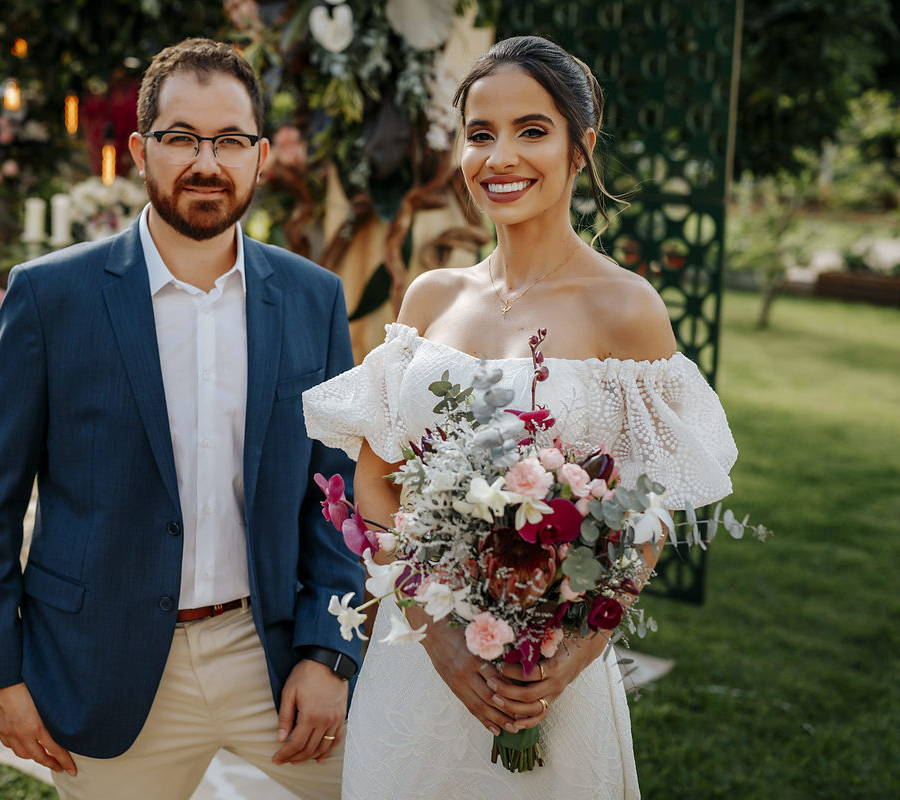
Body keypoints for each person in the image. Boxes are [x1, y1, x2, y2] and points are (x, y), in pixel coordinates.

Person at [302, 35, 737, 798]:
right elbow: (376, 487)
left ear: (581, 148)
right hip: (416, 670)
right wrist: (436, 635)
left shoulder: (628, 309)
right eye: (479, 135)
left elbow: (648, 517)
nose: (500, 157)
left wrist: (567, 660)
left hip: (548, 676)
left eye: (532, 130)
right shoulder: (430, 298)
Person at [0, 37, 363, 800]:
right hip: (102, 661)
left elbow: (336, 502)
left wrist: (329, 649)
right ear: (140, 149)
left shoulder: (314, 299)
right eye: (181, 138)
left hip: (268, 649)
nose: (207, 162)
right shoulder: (50, 298)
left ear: (261, 154)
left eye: (230, 140)